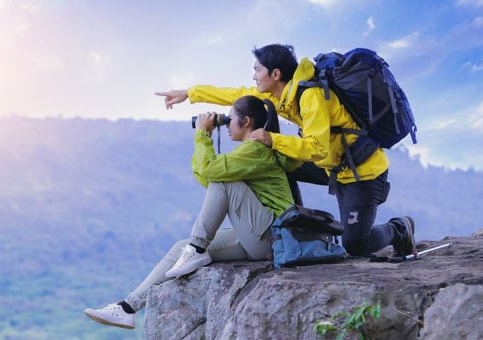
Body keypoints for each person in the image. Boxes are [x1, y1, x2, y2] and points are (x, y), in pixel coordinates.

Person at [155, 43, 416, 259]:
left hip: (361, 172)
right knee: (274, 161)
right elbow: (235, 94)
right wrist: (189, 93)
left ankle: (399, 228)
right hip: (331, 164)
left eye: (258, 70)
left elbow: (317, 147)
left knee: (356, 245)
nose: (254, 76)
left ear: (276, 74)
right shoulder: (282, 96)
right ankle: (294, 227)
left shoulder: (310, 96)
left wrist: (273, 139)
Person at [84, 95, 301, 329]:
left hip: (271, 237)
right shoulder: (249, 152)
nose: (226, 125)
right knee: (180, 248)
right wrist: (204, 138)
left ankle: (197, 247)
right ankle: (128, 308)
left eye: (230, 119)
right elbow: (208, 181)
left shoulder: (255, 150)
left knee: (223, 186)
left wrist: (201, 135)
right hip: (256, 236)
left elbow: (212, 175)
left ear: (246, 121)